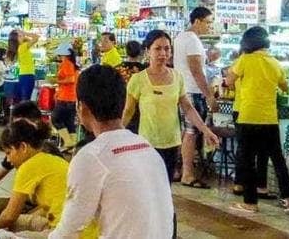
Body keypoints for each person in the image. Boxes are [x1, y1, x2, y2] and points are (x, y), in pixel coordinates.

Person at [50, 65, 174, 238]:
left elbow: (68, 230)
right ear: (123, 105)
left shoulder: (91, 157)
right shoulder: (148, 149)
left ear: (82, 108)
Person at [124, 29, 220, 185]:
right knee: (147, 187)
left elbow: (188, 108)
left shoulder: (177, 77)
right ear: (148, 51)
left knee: (165, 187)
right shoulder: (138, 80)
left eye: (167, 48)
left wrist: (205, 130)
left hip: (172, 144)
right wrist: (115, 136)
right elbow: (128, 111)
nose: (163, 53)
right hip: (146, 144)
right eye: (157, 48)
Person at [223, 26, 289, 214]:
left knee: (248, 159)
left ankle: (250, 202)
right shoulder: (275, 63)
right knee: (277, 158)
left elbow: (229, 81)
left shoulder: (245, 60)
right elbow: (285, 87)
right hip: (270, 118)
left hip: (248, 116)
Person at [0, 119, 70, 232]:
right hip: (73, 226)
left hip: (64, 232)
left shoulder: (29, 166)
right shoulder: (51, 159)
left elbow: (9, 216)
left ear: (23, 147)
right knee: (14, 225)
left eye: (9, 152)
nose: (8, 159)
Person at [173, 6, 218, 185]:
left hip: (186, 89)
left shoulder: (182, 38)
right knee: (191, 133)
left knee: (185, 132)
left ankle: (179, 170)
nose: (209, 26)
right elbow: (196, 70)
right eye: (208, 22)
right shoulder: (192, 40)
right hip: (192, 90)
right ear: (197, 21)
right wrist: (209, 95)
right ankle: (187, 174)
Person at [0, 101, 63, 194]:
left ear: (36, 123)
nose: (16, 131)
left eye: (21, 126)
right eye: (15, 126)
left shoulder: (48, 152)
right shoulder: (17, 150)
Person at [52, 41, 79, 150]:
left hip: (65, 97)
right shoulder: (72, 64)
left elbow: (71, 79)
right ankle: (73, 146)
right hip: (72, 98)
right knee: (69, 122)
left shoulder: (66, 63)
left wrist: (57, 80)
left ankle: (68, 142)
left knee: (56, 119)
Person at [10, 29, 39, 102]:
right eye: (19, 36)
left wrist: (22, 35)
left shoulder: (20, 47)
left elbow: (31, 39)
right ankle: (24, 113)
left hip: (23, 75)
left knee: (22, 100)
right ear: (16, 40)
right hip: (28, 76)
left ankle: (19, 113)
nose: (22, 36)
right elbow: (36, 37)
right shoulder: (22, 47)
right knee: (26, 100)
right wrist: (24, 32)